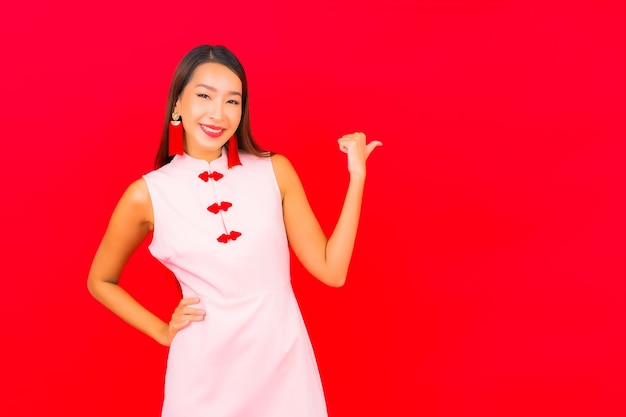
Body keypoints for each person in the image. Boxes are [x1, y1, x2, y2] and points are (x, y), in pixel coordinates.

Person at [87, 44, 381, 417]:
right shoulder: (148, 194)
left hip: (284, 369)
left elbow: (332, 270)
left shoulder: (275, 171)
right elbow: (101, 280)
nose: (218, 113)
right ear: (177, 104)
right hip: (201, 377)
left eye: (232, 101)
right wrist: (162, 331)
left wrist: (357, 176)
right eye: (204, 96)